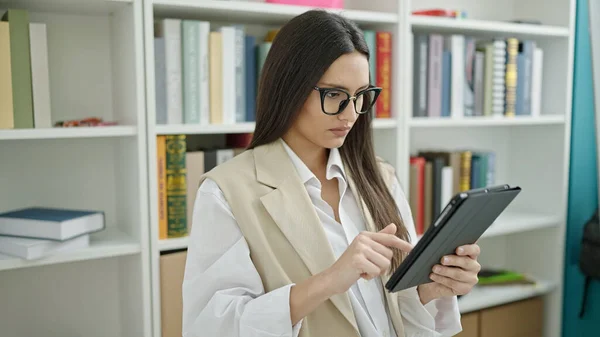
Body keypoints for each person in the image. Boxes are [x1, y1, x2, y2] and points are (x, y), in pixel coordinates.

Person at [182, 9, 481, 337]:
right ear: (289, 87)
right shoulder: (226, 191)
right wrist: (328, 280)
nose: (351, 114)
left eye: (360, 96)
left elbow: (398, 317)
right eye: (335, 95)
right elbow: (212, 327)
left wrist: (433, 289)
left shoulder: (379, 177)